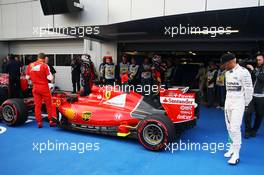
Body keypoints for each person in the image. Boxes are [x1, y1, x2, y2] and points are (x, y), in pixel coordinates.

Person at [221, 52, 253, 165]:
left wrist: (246, 104)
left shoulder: (244, 72)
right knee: (229, 128)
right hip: (228, 102)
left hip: (239, 103)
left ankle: (236, 153)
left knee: (235, 128)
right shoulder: (227, 73)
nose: (224, 66)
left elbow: (249, 89)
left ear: (231, 62)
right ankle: (231, 148)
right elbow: (228, 89)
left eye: (225, 64)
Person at [26, 53, 56, 128]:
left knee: (37, 106)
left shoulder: (30, 65)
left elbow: (27, 77)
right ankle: (51, 121)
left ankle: (39, 122)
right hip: (44, 88)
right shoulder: (45, 66)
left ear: (38, 57)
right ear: (44, 58)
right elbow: (50, 78)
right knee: (49, 105)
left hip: (35, 88)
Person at [244, 52, 264, 138]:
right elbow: (252, 78)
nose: (258, 61)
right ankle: (247, 130)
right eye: (257, 60)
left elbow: (262, 79)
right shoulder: (257, 68)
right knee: (247, 113)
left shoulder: (257, 69)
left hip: (261, 96)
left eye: (260, 60)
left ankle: (254, 130)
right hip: (251, 95)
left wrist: (253, 70)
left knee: (259, 115)